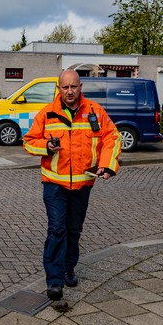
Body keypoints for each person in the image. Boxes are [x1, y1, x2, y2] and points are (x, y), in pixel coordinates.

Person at [23, 69, 122, 301]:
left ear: (80, 88)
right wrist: (46, 146)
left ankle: (68, 269)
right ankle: (54, 281)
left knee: (73, 230)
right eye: (65, 87)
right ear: (59, 89)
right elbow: (28, 142)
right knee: (57, 229)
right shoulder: (47, 114)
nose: (69, 91)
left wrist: (107, 165)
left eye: (73, 86)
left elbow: (112, 137)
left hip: (83, 184)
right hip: (54, 184)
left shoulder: (95, 111)